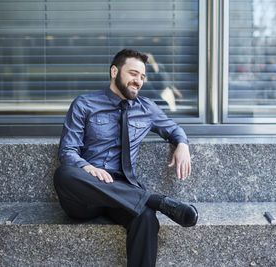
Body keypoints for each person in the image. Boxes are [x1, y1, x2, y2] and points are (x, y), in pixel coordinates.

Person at [54, 48, 198, 267]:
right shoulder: (84, 104)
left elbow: (174, 129)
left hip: (123, 191)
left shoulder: (147, 108)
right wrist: (86, 168)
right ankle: (156, 200)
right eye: (133, 73)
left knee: (146, 217)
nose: (138, 81)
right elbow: (67, 152)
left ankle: (149, 202)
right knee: (64, 174)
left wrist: (183, 144)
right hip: (87, 192)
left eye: (142, 76)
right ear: (114, 71)